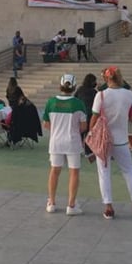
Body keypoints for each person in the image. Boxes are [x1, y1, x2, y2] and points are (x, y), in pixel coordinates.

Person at [90, 66, 132, 219]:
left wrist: (92, 135)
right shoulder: (129, 94)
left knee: (104, 174)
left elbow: (94, 117)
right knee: (129, 172)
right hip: (121, 140)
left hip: (104, 141)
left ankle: (108, 208)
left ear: (106, 79)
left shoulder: (101, 95)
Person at [43, 74, 88, 215]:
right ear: (74, 87)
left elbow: (46, 124)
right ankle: (71, 205)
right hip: (72, 142)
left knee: (54, 171)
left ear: (60, 86)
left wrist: (56, 128)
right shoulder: (78, 104)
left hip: (56, 142)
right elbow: (83, 127)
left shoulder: (51, 102)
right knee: (74, 172)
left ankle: (51, 202)